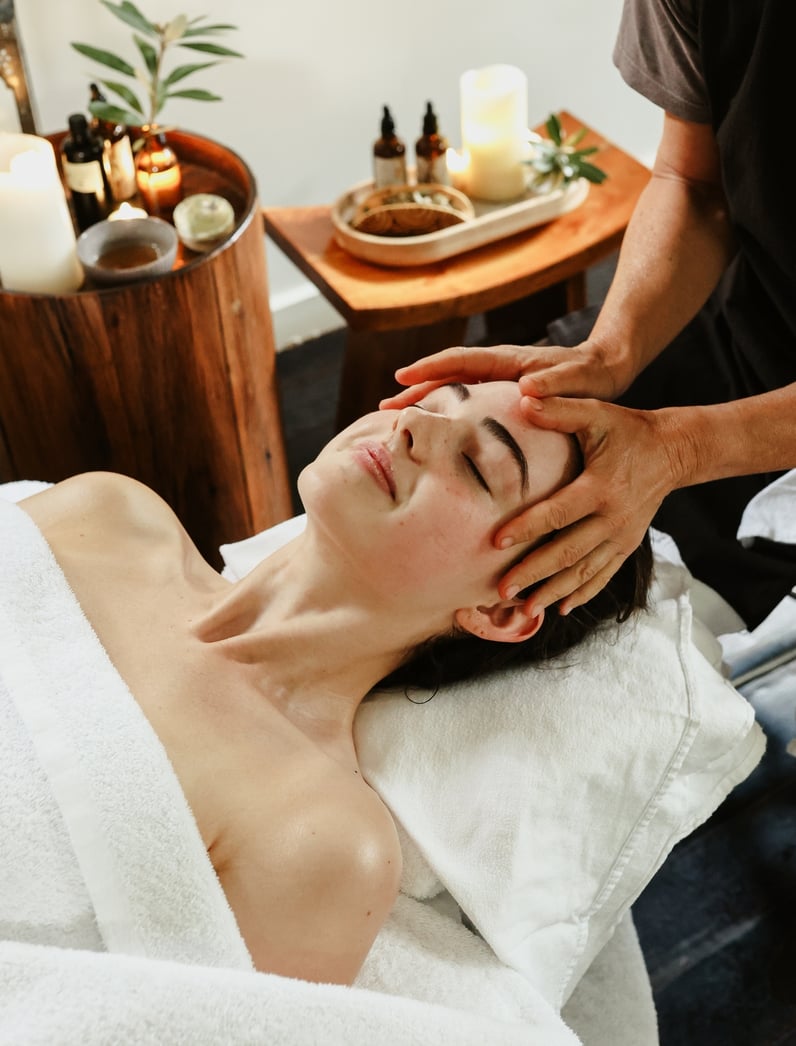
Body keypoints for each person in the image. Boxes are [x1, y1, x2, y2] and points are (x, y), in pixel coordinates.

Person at [16, 380, 651, 988]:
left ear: (502, 609)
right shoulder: (108, 517)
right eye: (433, 402)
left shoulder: (321, 838)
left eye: (478, 465)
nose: (414, 427)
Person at [384, 0, 796, 631]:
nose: (407, 433)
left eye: (478, 468)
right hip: (745, 317)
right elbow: (694, 180)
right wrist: (611, 352)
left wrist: (680, 449)